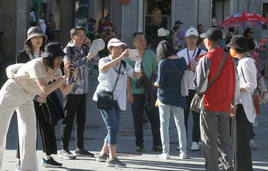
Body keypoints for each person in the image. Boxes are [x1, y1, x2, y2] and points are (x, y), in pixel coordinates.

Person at [0, 42, 77, 171]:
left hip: (28, 96)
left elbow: (65, 91)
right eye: (58, 58)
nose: (60, 61)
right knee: (1, 132)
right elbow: (45, 89)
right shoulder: (37, 65)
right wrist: (64, 77)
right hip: (11, 93)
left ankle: (28, 168)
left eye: (61, 58)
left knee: (29, 133)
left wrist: (72, 79)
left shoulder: (56, 69)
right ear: (49, 57)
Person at [15, 26, 63, 170]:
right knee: (26, 127)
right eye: (35, 37)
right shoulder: (22, 55)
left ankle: (47, 156)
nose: (38, 40)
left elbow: (54, 75)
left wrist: (44, 92)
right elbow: (19, 74)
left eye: (40, 37)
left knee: (48, 124)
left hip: (46, 94)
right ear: (29, 40)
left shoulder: (48, 53)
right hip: (27, 94)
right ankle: (21, 159)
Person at [93, 38, 141, 167]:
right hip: (105, 98)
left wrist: (138, 61)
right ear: (110, 49)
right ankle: (112, 157)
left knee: (114, 127)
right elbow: (103, 69)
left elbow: (136, 75)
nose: (120, 50)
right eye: (117, 47)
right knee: (112, 127)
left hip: (118, 100)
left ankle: (103, 153)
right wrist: (119, 58)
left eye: (121, 47)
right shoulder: (104, 60)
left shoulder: (124, 64)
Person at [194, 28, 235, 171]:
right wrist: (232, 102)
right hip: (225, 105)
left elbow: (199, 86)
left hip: (209, 104)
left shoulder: (206, 58)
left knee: (209, 142)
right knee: (225, 141)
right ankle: (228, 167)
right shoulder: (229, 57)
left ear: (208, 41)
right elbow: (233, 82)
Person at [60, 26, 94, 160]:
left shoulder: (85, 49)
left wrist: (92, 50)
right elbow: (70, 66)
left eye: (84, 35)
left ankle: (80, 147)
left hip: (83, 89)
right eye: (80, 35)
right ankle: (64, 148)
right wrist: (86, 58)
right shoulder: (68, 50)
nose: (83, 37)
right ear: (72, 37)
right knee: (68, 119)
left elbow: (94, 62)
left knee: (81, 120)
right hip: (71, 89)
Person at [125, 32, 162, 152]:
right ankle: (139, 144)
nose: (143, 42)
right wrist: (129, 93)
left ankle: (157, 143)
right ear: (134, 42)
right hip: (136, 92)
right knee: (138, 119)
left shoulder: (150, 54)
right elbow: (127, 76)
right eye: (140, 40)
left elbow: (155, 69)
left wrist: (155, 79)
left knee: (155, 119)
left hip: (150, 92)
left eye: (144, 40)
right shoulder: (130, 54)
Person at [154, 40, 188, 160]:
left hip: (165, 97)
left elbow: (161, 83)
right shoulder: (182, 60)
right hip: (179, 96)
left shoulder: (163, 63)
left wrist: (155, 83)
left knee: (164, 124)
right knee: (181, 124)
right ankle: (183, 152)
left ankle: (166, 152)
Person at [228, 35, 255, 171]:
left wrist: (233, 88)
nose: (230, 50)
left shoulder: (246, 62)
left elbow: (251, 85)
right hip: (239, 104)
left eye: (231, 48)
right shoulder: (243, 61)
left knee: (240, 142)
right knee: (238, 142)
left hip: (242, 105)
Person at [177, 27, 206, 151]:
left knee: (197, 116)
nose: (192, 40)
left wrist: (198, 69)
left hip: (197, 89)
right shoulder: (180, 54)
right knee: (182, 117)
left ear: (197, 39)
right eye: (189, 38)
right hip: (184, 88)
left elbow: (207, 71)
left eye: (194, 38)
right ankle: (182, 141)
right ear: (186, 39)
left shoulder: (203, 53)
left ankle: (195, 140)